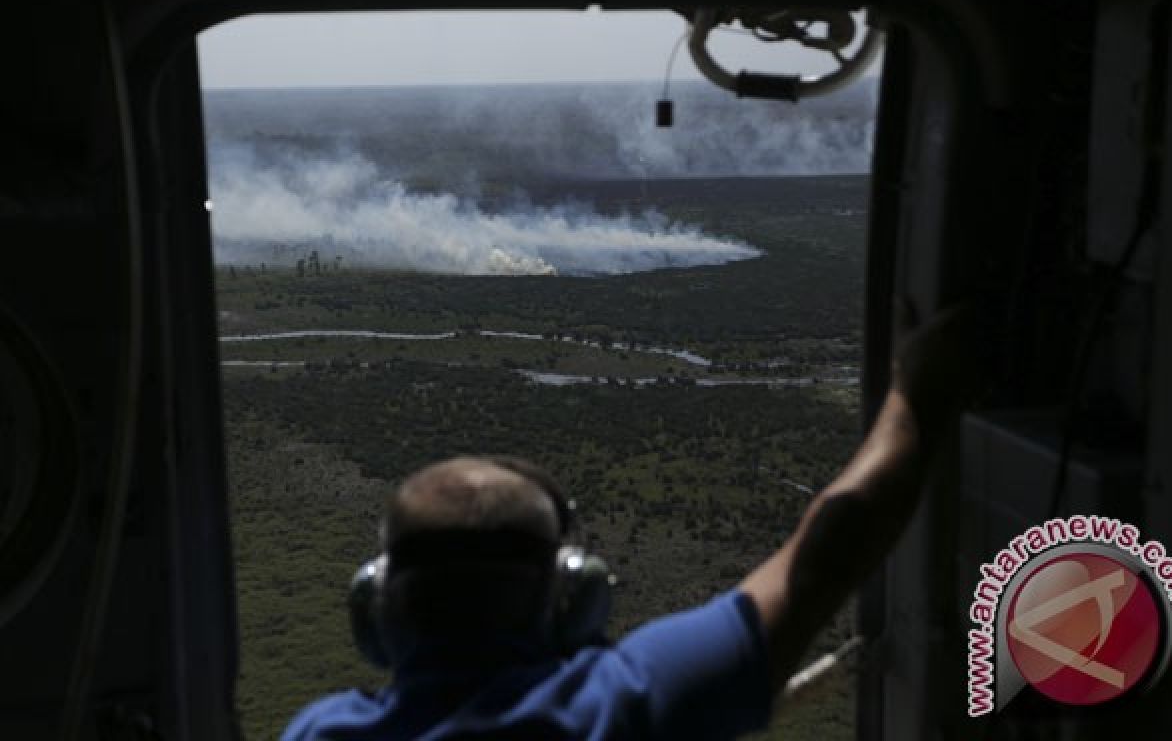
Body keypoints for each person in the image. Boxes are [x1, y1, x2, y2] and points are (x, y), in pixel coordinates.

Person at [281, 304, 972, 740]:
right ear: (573, 594)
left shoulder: (318, 730)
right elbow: (830, 550)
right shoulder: (627, 701)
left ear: (375, 603)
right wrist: (921, 382)